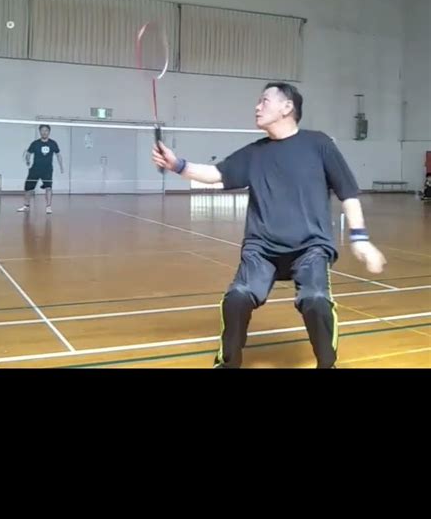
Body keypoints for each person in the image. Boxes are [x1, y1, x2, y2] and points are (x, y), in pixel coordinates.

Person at [152, 82, 386, 369]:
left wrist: (360, 238)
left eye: (264, 100)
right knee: (236, 299)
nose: (257, 106)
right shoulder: (255, 153)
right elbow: (216, 174)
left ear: (287, 107)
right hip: (261, 248)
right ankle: (227, 364)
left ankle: (328, 365)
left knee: (316, 300)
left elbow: (347, 191)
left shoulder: (319, 144)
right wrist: (177, 164)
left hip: (311, 248)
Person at [18, 125, 63, 214]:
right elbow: (28, 153)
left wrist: (61, 166)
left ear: (49, 132)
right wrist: (27, 160)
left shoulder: (53, 143)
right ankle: (26, 206)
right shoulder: (35, 143)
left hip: (47, 170)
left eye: (46, 130)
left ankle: (48, 207)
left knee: (48, 188)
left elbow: (58, 155)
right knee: (28, 188)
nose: (44, 132)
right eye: (42, 130)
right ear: (40, 132)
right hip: (35, 169)